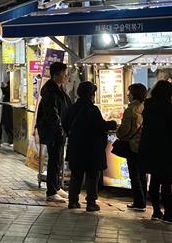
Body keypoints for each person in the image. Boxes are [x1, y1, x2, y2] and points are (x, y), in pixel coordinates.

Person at [63, 82, 117, 212]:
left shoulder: (71, 108)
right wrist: (112, 123)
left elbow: (65, 124)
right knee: (92, 176)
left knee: (76, 175)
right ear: (90, 94)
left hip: (76, 147)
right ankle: (91, 202)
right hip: (92, 148)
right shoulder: (92, 109)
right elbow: (100, 125)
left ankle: (73, 201)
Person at [35, 62, 72, 203]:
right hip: (53, 130)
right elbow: (52, 113)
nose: (66, 76)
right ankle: (51, 191)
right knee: (54, 160)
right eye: (64, 73)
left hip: (58, 130)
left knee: (58, 159)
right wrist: (60, 128)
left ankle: (56, 187)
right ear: (57, 75)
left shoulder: (57, 88)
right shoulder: (51, 91)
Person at [139, 80, 172, 222]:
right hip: (166, 149)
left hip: (150, 148)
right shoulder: (169, 108)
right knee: (166, 182)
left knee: (154, 180)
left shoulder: (148, 106)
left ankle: (156, 211)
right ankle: (169, 213)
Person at [116, 83, 148, 211]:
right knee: (142, 175)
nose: (128, 95)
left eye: (129, 92)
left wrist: (119, 134)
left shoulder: (131, 109)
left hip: (133, 146)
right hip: (143, 145)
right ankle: (142, 200)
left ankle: (139, 203)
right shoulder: (144, 107)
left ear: (134, 94)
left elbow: (124, 130)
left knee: (134, 175)